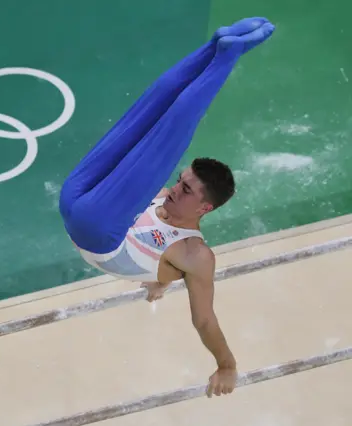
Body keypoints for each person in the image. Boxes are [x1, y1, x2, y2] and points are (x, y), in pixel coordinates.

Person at [59, 17, 276, 398]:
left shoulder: (195, 254)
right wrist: (159, 281)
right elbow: (157, 257)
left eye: (187, 189)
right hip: (77, 198)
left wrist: (226, 364)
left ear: (206, 207)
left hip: (97, 229)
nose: (174, 190)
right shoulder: (158, 194)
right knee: (147, 113)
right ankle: (216, 47)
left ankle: (226, 55)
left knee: (173, 127)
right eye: (180, 180)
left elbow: (204, 319)